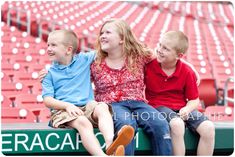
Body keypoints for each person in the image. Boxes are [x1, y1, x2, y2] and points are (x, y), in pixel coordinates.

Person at [41, 29, 135, 156]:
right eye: (48, 45)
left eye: (53, 45)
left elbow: (105, 50)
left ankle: (110, 145)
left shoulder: (84, 59)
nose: (49, 48)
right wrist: (68, 106)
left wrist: (118, 38)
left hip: (87, 106)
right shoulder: (48, 74)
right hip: (63, 111)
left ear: (68, 50)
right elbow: (48, 100)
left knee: (102, 107)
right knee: (82, 122)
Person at [90, 19, 172, 155]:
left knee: (160, 124)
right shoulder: (95, 62)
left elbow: (167, 58)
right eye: (101, 33)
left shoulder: (139, 56)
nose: (102, 36)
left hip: (138, 103)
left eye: (108, 32)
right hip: (112, 105)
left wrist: (192, 69)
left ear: (122, 38)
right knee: (127, 125)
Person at [144, 30, 215, 155]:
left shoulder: (187, 71)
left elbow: (194, 99)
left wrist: (187, 109)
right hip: (158, 106)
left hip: (181, 108)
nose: (159, 50)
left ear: (179, 56)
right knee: (177, 124)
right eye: (159, 45)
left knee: (208, 128)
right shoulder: (149, 66)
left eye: (165, 48)